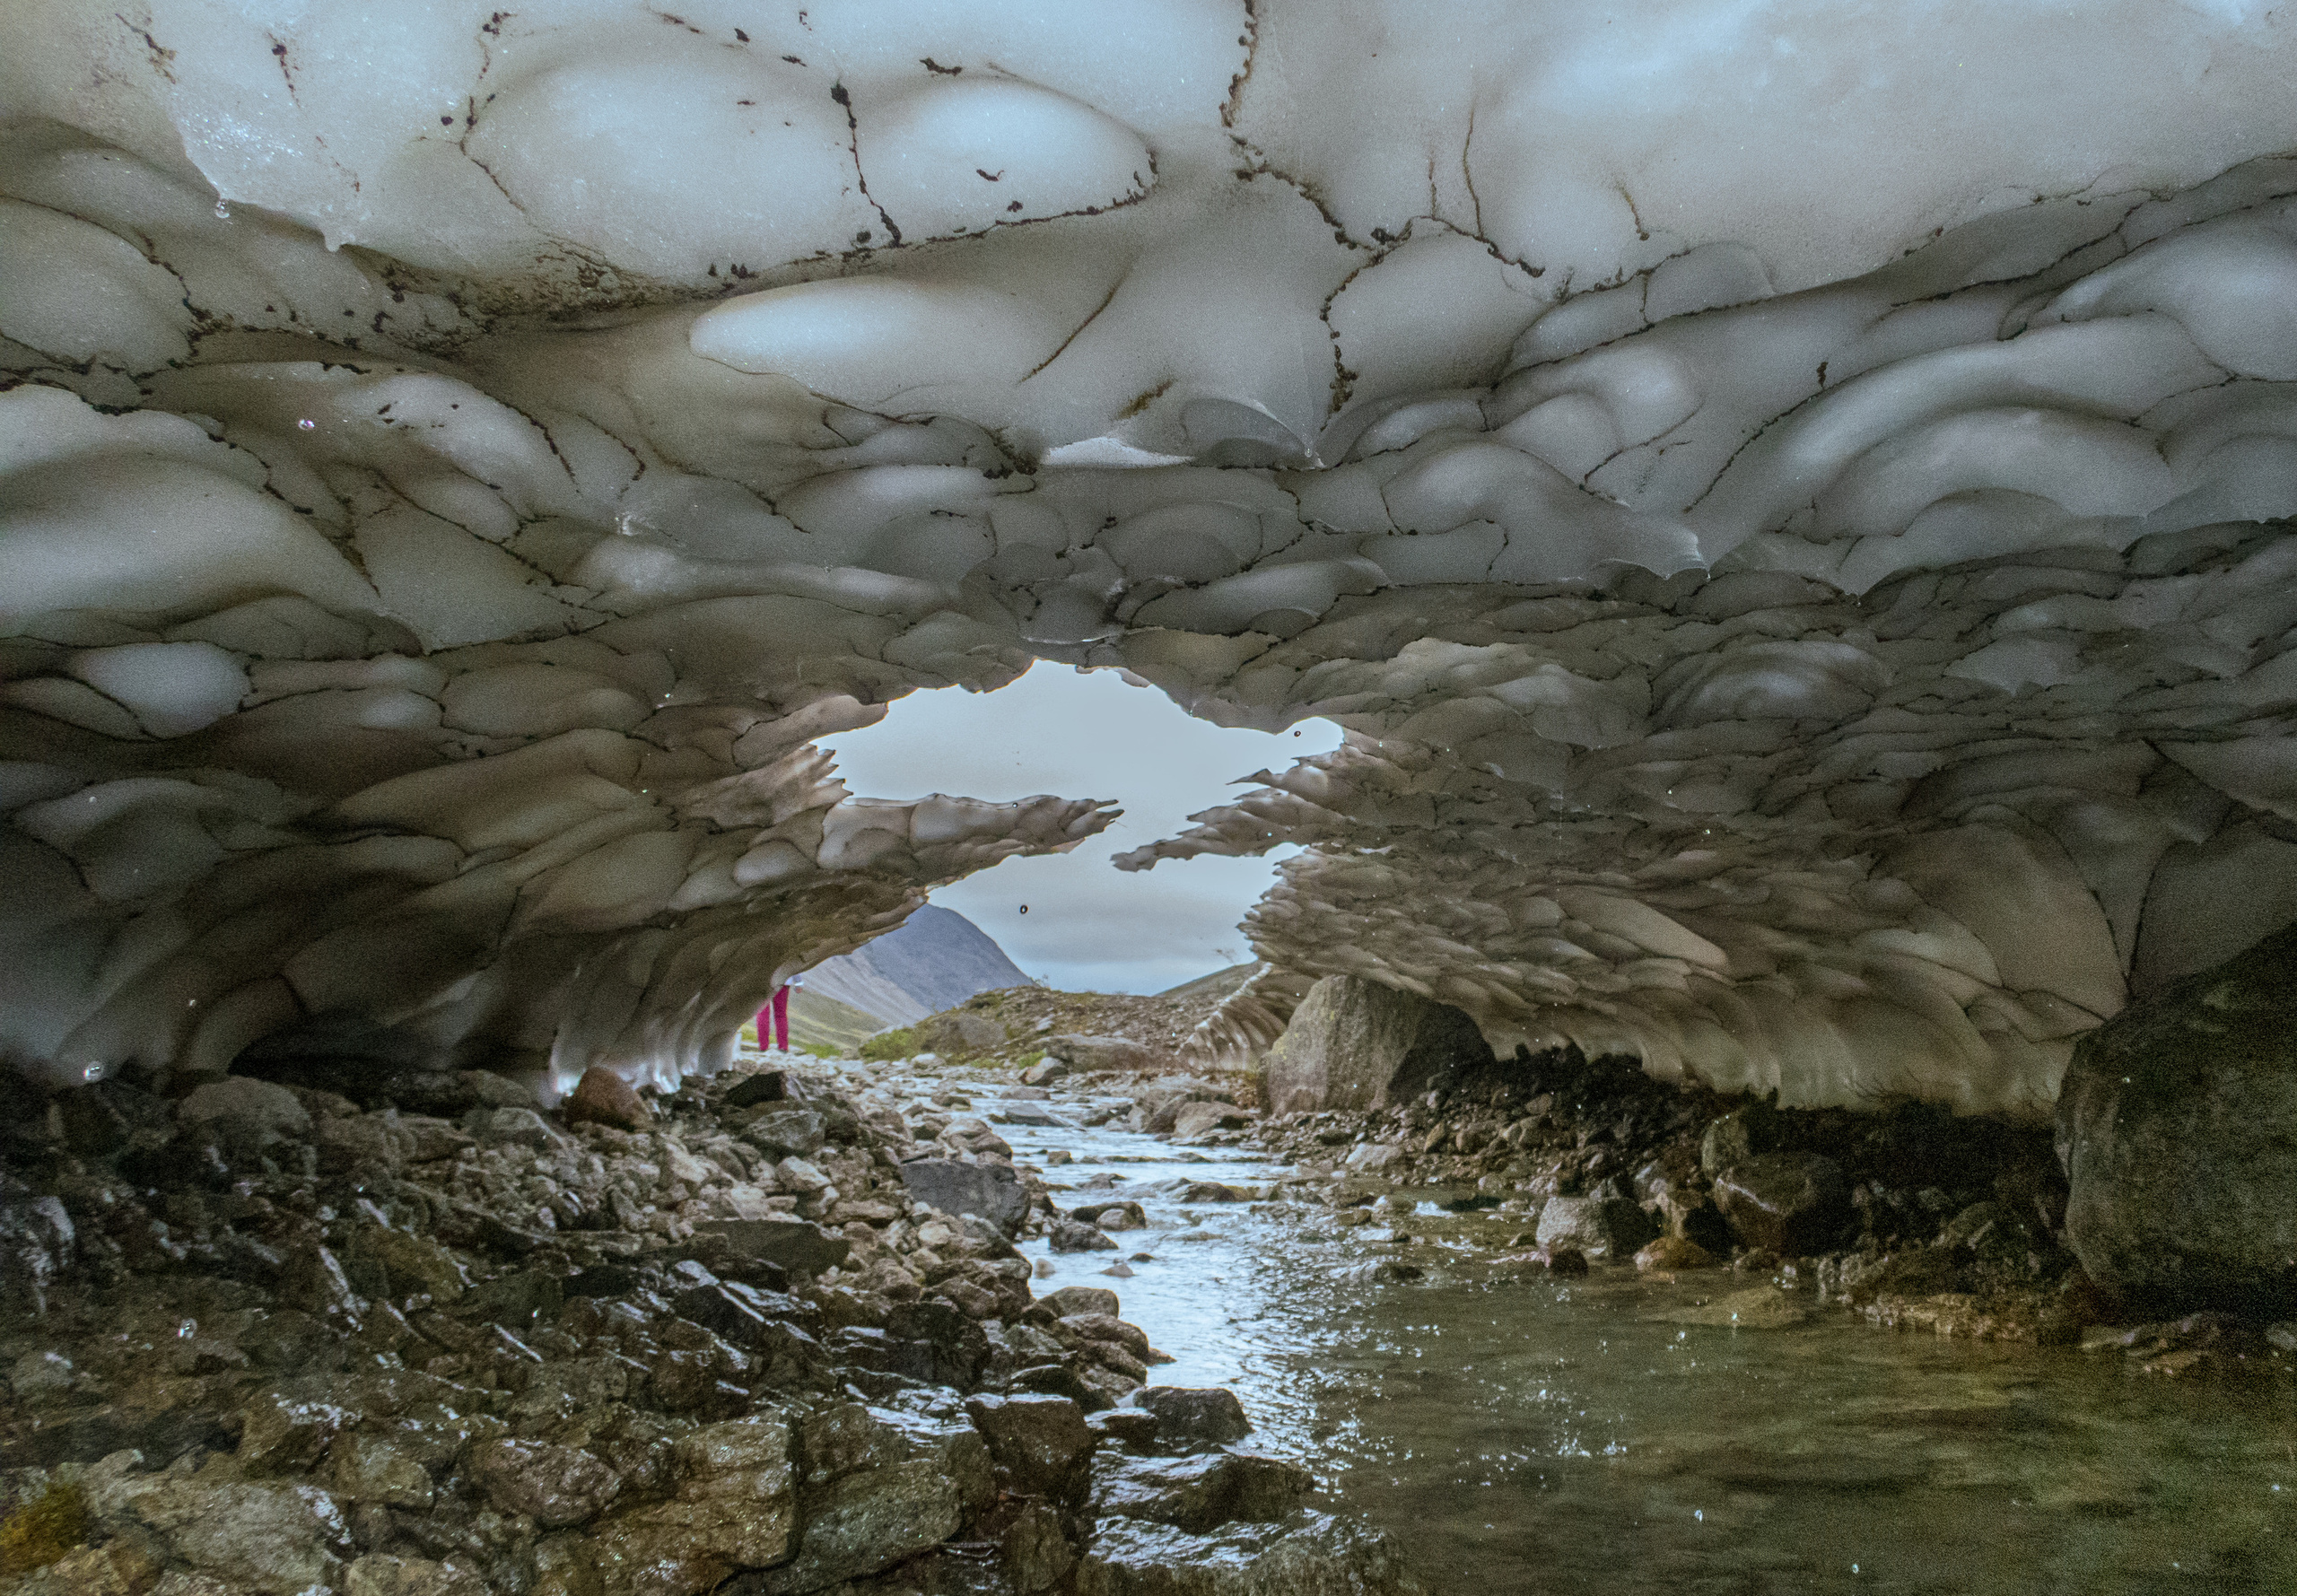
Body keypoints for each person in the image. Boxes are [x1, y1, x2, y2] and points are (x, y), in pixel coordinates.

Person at [756, 975, 799, 1052]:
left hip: (763, 980)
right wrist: (798, 982)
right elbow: (793, 964)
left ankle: (763, 1047)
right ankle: (783, 1047)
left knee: (762, 1013)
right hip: (783, 981)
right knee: (781, 1015)